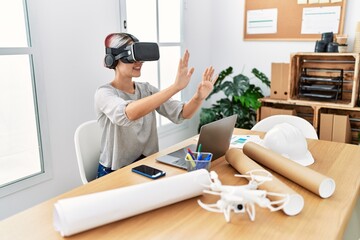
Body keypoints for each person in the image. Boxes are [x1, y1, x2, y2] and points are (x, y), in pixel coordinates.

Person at [94, 33, 218, 178]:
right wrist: (175, 88)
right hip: (114, 172)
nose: (139, 62)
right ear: (113, 60)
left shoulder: (146, 89)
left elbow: (182, 113)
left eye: (140, 58)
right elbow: (128, 114)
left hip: (147, 164)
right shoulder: (104, 93)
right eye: (132, 58)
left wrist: (199, 97)